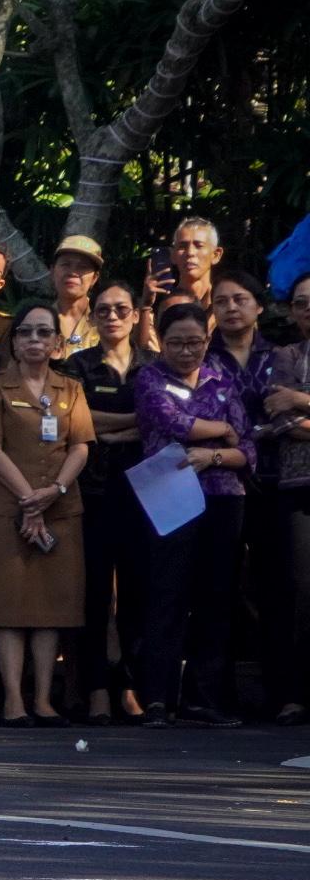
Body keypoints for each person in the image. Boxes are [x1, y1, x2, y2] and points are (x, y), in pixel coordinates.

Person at [0, 302, 94, 726]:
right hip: (9, 508)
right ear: (14, 340)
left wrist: (54, 491)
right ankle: (13, 700)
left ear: (58, 343)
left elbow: (80, 445)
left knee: (51, 608)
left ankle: (44, 699)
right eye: (25, 332)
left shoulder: (71, 388)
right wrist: (30, 499)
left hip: (61, 508)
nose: (34, 341)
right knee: (9, 607)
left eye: (44, 333)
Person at [134, 303, 249, 727]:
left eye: (195, 342)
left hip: (223, 499)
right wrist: (220, 430)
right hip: (169, 495)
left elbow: (247, 449)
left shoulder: (223, 377)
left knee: (215, 599)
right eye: (176, 343)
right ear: (160, 343)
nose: (186, 351)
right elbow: (170, 420)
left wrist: (214, 453)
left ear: (208, 338)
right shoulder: (150, 377)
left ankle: (205, 699)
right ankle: (158, 699)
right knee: (167, 595)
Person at [64, 279, 155, 724]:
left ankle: (131, 685)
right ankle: (96, 687)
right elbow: (75, 420)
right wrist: (135, 421)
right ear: (93, 316)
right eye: (103, 310)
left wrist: (109, 428)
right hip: (94, 492)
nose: (113, 316)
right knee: (94, 594)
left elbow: (163, 421)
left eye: (121, 309)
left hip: (147, 492)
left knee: (139, 593)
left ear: (136, 314)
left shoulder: (153, 366)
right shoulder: (77, 365)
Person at [210, 266, 281, 720]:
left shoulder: (283, 356)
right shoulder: (203, 358)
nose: (231, 308)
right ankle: (218, 694)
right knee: (220, 590)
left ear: (258, 306)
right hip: (219, 487)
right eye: (221, 301)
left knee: (277, 588)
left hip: (275, 483)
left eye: (240, 299)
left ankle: (283, 692)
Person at [262, 274, 310, 726]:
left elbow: (296, 412)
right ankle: (294, 693)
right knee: (300, 591)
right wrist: (293, 403)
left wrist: (302, 401)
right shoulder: (286, 355)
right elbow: (280, 420)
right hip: (297, 485)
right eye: (301, 302)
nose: (308, 308)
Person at [152, 216, 224, 310]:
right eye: (182, 247)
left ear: (216, 255)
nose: (190, 253)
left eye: (199, 246)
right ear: (173, 255)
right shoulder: (164, 305)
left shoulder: (225, 304)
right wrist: (145, 307)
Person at [50, 236, 105, 356]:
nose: (72, 272)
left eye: (83, 267)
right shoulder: (37, 322)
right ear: (52, 271)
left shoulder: (106, 322)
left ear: (94, 278)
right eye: (65, 264)